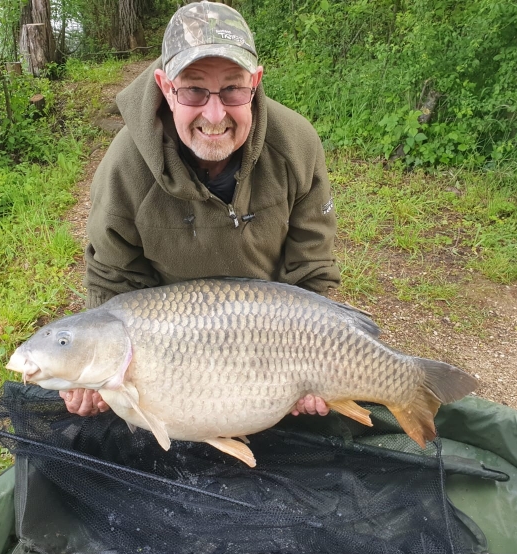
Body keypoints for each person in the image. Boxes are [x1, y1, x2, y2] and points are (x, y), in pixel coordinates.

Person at [62, 1, 341, 419]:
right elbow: (112, 281)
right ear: (165, 86)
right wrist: (99, 367)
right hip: (172, 346)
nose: (215, 115)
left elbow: (312, 271)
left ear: (255, 82)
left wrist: (312, 360)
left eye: (232, 88)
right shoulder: (124, 168)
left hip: (276, 335)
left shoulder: (296, 145)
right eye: (193, 89)